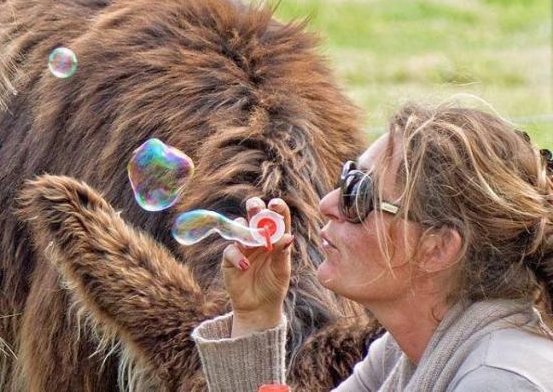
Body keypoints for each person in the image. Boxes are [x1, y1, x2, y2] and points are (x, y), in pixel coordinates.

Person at [192, 102, 553, 390]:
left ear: (437, 247)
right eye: (346, 175)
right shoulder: (403, 352)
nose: (327, 204)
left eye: (358, 194)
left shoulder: (501, 379)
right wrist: (257, 316)